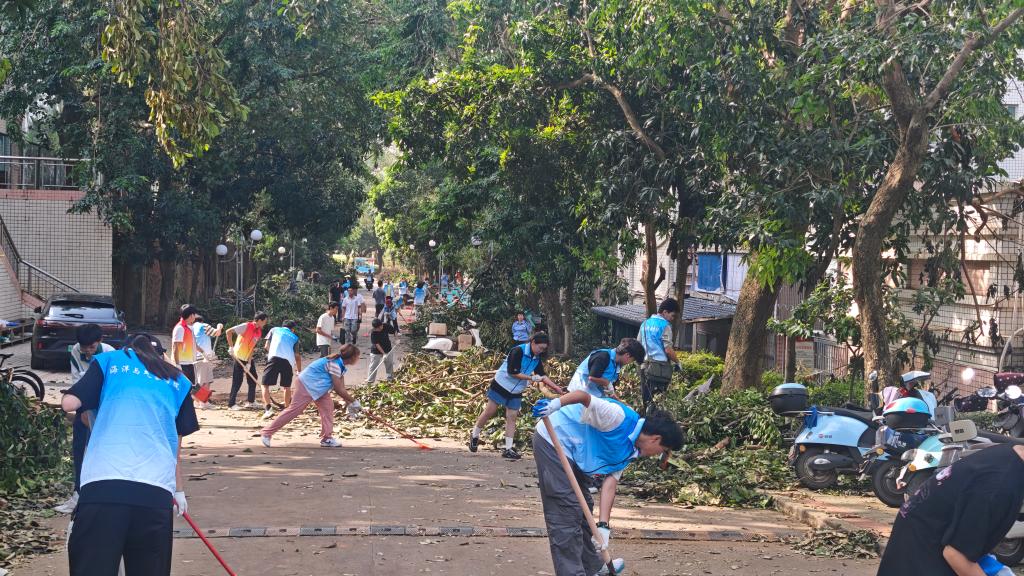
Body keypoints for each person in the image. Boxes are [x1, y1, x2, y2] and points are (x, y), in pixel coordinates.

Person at [60, 334, 199, 576]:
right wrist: (178, 491)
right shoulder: (178, 380)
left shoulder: (109, 361)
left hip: (103, 487)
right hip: (155, 492)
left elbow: (69, 404)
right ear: (160, 355)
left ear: (127, 349)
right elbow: (174, 447)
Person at [531, 391, 683, 576]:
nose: (658, 455)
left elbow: (610, 483)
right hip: (554, 438)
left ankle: (593, 567)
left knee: (584, 508)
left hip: (577, 451)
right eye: (663, 450)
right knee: (565, 512)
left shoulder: (632, 449)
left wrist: (603, 526)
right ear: (655, 439)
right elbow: (583, 396)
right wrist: (555, 404)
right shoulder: (617, 417)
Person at [877, 442, 1024, 576]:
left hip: (920, 531)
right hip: (922, 549)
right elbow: (956, 556)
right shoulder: (1000, 488)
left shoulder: (1010, 454)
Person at [54, 324, 116, 515]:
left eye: (91, 347)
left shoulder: (110, 353)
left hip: (105, 408)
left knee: (103, 451)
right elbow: (77, 381)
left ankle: (103, 497)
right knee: (80, 448)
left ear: (100, 341)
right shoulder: (76, 351)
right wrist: (83, 409)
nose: (88, 351)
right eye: (84, 347)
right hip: (84, 403)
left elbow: (111, 386)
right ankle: (78, 494)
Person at [469, 333, 562, 460]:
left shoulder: (536, 358)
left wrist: (556, 388)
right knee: (490, 411)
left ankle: (508, 449)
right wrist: (531, 378)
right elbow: (512, 372)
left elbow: (542, 375)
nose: (541, 351)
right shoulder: (518, 351)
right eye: (540, 348)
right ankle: (474, 435)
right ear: (533, 342)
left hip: (517, 389)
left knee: (512, 416)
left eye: (543, 349)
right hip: (501, 384)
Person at [259, 345, 362, 448]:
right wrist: (354, 401)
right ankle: (266, 433)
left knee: (328, 408)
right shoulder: (335, 364)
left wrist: (350, 404)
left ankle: (327, 438)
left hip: (318, 388)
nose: (358, 359)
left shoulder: (340, 364)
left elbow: (342, 388)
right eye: (357, 356)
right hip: (306, 385)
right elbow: (338, 389)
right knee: (294, 410)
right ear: (352, 357)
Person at [637, 298, 680, 411]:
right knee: (657, 402)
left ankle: (646, 419)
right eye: (672, 315)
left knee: (646, 399)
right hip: (659, 369)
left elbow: (638, 345)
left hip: (644, 367)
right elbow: (668, 350)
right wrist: (678, 362)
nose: (672, 319)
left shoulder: (644, 324)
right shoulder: (665, 325)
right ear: (665, 312)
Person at [567, 339, 646, 398]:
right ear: (627, 355)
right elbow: (592, 377)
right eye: (632, 360)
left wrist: (616, 399)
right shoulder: (603, 356)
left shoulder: (617, 365)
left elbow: (609, 388)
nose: (630, 363)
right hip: (579, 393)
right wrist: (607, 383)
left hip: (594, 395)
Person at [226, 312, 269, 410]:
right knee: (237, 380)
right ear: (259, 320)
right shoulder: (246, 326)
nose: (265, 323)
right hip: (239, 356)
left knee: (253, 378)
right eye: (264, 321)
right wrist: (231, 347)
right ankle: (231, 404)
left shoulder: (258, 332)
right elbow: (228, 332)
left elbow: (252, 347)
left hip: (247, 357)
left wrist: (249, 363)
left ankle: (251, 401)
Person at [261, 320, 303, 418]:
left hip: (274, 358)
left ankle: (268, 409)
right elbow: (297, 356)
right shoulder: (295, 337)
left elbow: (266, 346)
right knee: (286, 386)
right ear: (292, 329)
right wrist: (299, 371)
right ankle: (287, 410)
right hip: (288, 362)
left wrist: (273, 352)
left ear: (282, 326)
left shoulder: (274, 329)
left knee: (265, 385)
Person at [190, 315, 223, 409]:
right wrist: (219, 327)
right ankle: (204, 402)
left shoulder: (191, 328)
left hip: (194, 357)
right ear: (201, 320)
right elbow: (217, 333)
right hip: (204, 358)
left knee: (199, 381)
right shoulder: (203, 326)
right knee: (206, 381)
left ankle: (197, 401)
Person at [171, 304, 200, 386]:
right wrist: (177, 365)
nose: (195, 317)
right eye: (194, 314)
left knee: (191, 386)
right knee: (185, 388)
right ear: (191, 315)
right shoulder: (180, 328)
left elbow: (193, 345)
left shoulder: (188, 327)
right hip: (182, 364)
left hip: (189, 363)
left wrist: (204, 353)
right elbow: (175, 347)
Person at [365, 319, 396, 384]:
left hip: (387, 348)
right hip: (376, 351)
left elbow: (394, 332)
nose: (379, 329)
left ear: (382, 325)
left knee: (389, 365)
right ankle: (370, 381)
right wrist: (384, 354)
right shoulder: (373, 333)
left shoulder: (386, 326)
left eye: (380, 328)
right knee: (373, 366)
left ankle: (390, 379)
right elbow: (377, 345)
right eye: (377, 329)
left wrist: (396, 339)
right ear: (374, 328)